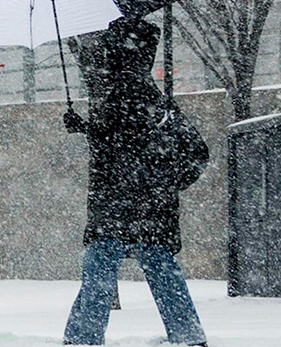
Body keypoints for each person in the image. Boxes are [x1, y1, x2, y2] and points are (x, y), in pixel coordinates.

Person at [61, 17, 207, 346]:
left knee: (99, 272)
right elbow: (196, 154)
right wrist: (166, 185)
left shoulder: (110, 100)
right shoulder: (157, 105)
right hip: (150, 212)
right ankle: (188, 336)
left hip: (113, 210)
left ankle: (82, 340)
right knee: (160, 270)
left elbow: (112, 151)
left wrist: (87, 129)